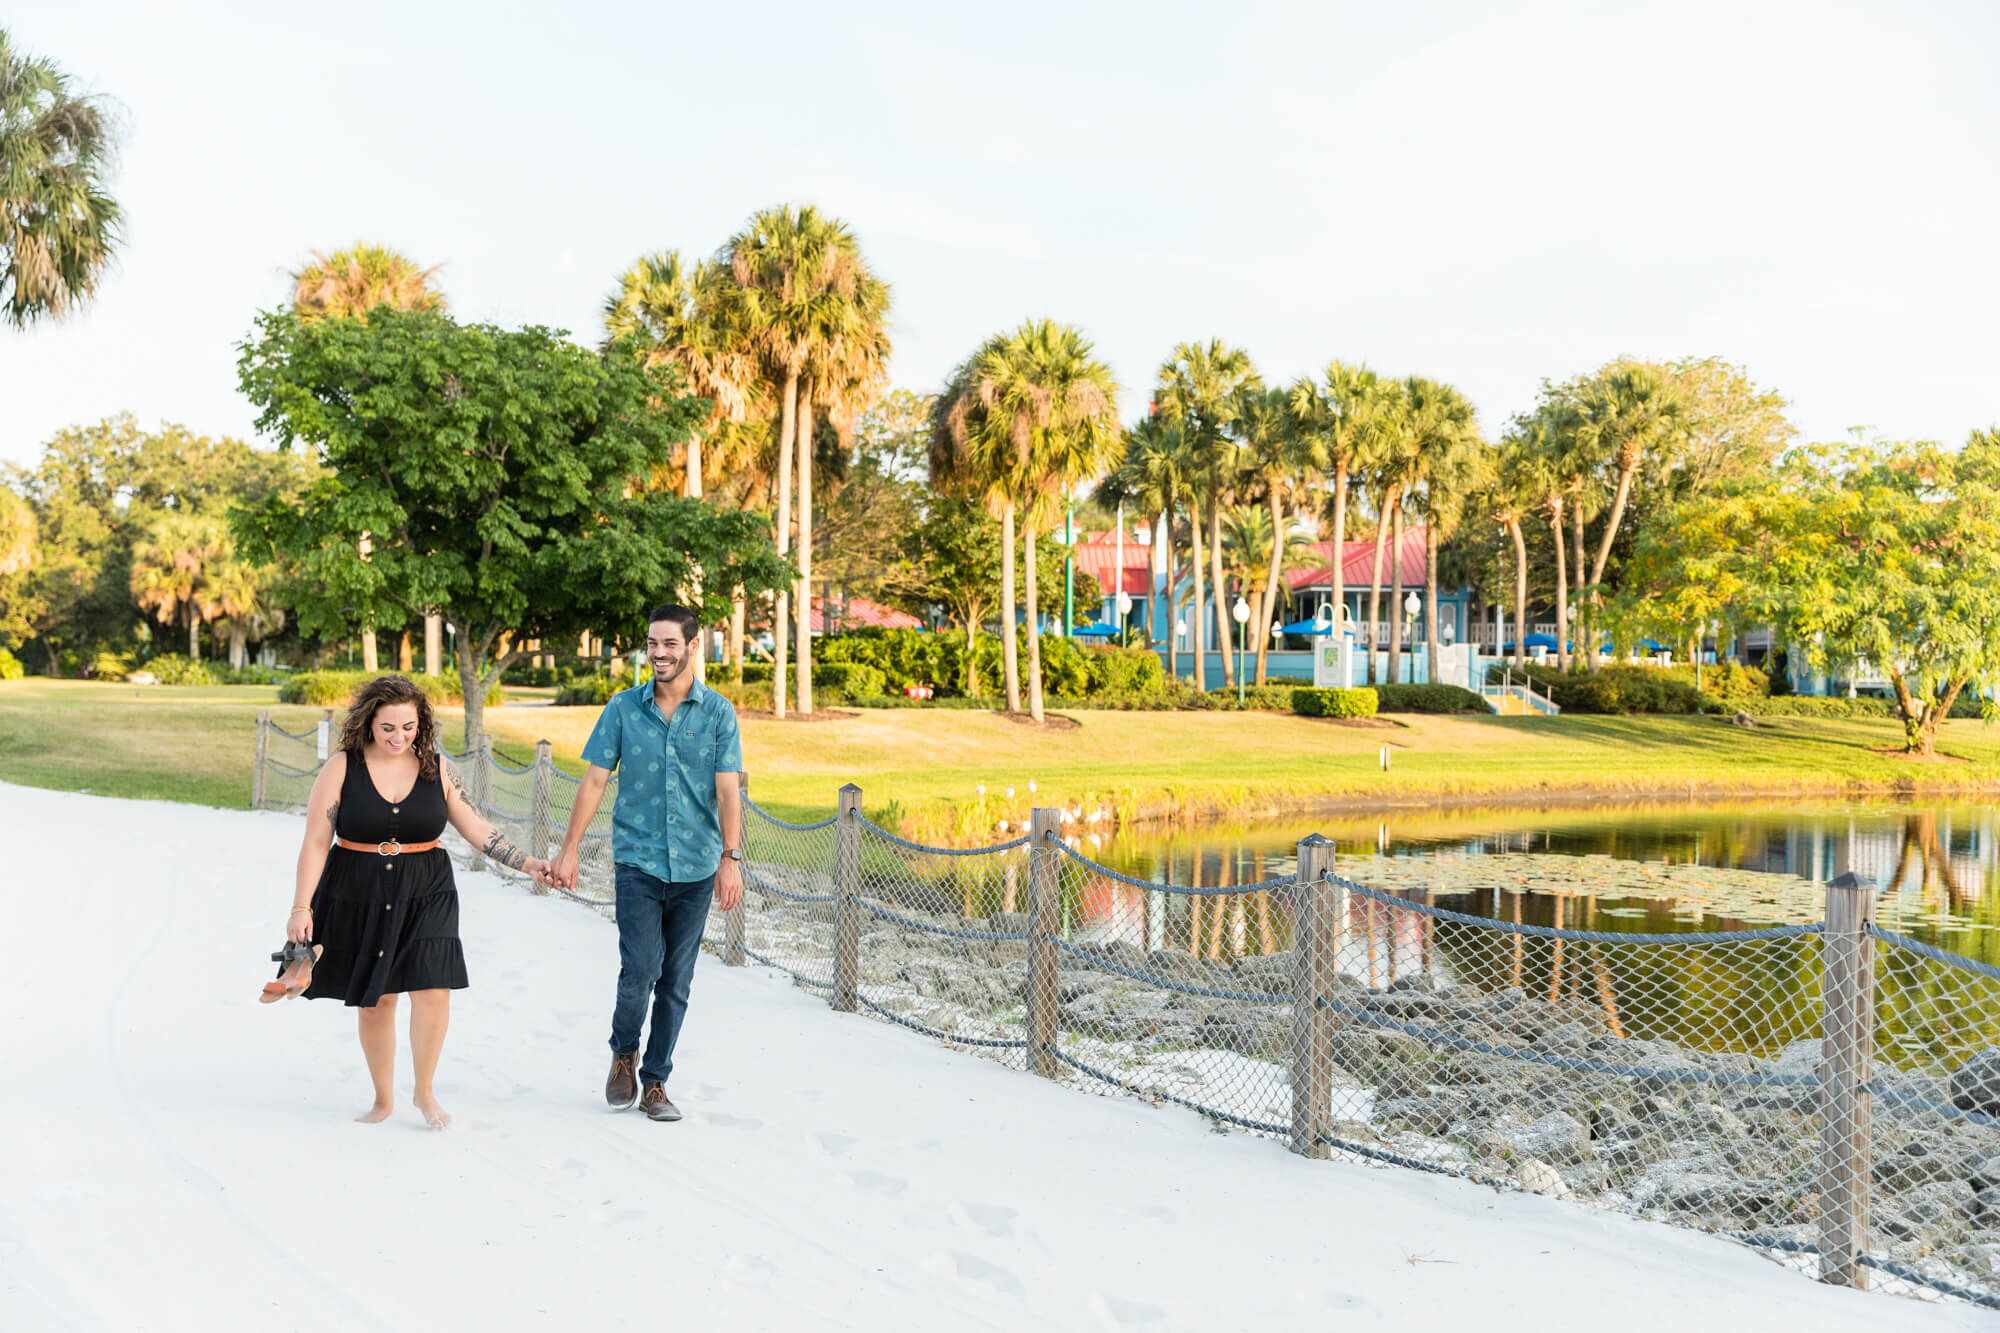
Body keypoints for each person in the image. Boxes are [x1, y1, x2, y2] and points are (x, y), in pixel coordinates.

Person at [284, 674, 553, 1128]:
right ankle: (383, 1100)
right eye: (388, 727)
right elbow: (315, 842)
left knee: (433, 988)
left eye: (408, 728)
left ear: (420, 724)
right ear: (370, 722)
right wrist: (300, 907)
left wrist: (527, 863)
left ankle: (425, 1093)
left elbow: (476, 827)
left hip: (428, 890)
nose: (398, 737)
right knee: (378, 999)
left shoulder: (437, 768)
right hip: (359, 890)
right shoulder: (341, 768)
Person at [549, 604, 744, 1122]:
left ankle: (656, 1082)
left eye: (669, 644)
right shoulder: (623, 708)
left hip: (698, 866)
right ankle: (623, 1053)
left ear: (692, 646)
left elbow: (728, 791)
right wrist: (568, 849)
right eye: (652, 644)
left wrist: (731, 858)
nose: (658, 654)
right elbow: (593, 781)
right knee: (639, 969)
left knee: (676, 979)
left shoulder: (719, 713)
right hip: (637, 859)